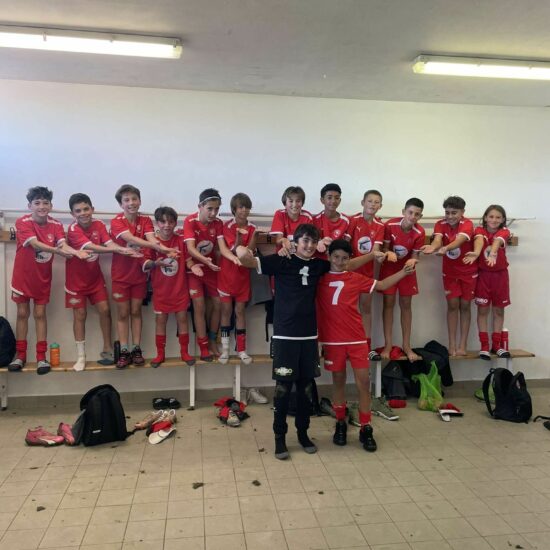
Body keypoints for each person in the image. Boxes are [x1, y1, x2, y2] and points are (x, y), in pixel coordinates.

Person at [237, 223, 376, 460]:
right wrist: (244, 246)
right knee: (283, 390)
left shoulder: (319, 265)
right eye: (305, 241)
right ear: (296, 242)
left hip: (309, 337)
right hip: (285, 336)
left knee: (305, 389)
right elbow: (245, 259)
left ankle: (303, 434)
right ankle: (280, 438)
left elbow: (345, 265)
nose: (309, 246)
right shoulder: (281, 261)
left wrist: (373, 255)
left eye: (313, 241)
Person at [317, 240, 415, 451]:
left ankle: (365, 427)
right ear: (329, 257)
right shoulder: (320, 278)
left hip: (356, 339)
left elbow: (381, 285)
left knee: (363, 382)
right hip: (333, 340)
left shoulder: (355, 278)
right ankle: (340, 422)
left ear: (349, 259)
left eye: (344, 258)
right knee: (338, 382)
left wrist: (404, 273)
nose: (340, 262)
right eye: (336, 257)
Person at [9, 186, 89, 375]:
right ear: (30, 205)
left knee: (40, 314)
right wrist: (58, 251)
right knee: (22, 313)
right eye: (37, 203)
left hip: (42, 279)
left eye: (45, 203)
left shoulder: (56, 224)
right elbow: (35, 243)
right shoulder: (23, 222)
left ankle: (41, 357)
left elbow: (63, 244)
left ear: (51, 205)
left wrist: (76, 252)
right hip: (22, 277)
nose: (41, 206)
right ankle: (20, 356)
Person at [66, 193, 142, 371]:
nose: (83, 213)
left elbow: (108, 243)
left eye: (86, 209)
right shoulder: (73, 229)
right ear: (72, 214)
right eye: (78, 211)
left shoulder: (99, 224)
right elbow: (91, 247)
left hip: (95, 279)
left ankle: (107, 349)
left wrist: (121, 249)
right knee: (80, 315)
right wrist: (120, 251)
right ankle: (81, 356)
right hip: (75, 282)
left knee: (106, 310)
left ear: (92, 209)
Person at [110, 184, 178, 369]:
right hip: (120, 276)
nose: (131, 203)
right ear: (121, 204)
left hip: (139, 275)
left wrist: (163, 248)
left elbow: (151, 238)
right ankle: (124, 350)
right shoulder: (116, 221)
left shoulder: (146, 220)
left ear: (139, 201)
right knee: (123, 313)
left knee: (136, 311)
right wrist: (158, 247)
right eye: (126, 200)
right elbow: (130, 239)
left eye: (134, 199)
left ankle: (136, 349)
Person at [143, 207, 201, 367]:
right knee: (160, 320)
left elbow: (188, 260)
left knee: (182, 319)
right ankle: (160, 354)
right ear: (157, 223)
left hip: (179, 289)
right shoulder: (152, 243)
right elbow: (145, 263)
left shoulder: (181, 240)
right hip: (161, 291)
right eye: (163, 222)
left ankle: (185, 352)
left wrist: (193, 266)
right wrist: (156, 263)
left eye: (170, 222)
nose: (167, 225)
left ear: (175, 223)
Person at [421, 196, 477, 356]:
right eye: (447, 212)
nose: (450, 216)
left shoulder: (467, 224)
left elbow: (460, 240)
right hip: (450, 273)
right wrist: (433, 247)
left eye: (454, 213)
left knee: (465, 306)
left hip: (468, 273)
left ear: (462, 212)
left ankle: (462, 344)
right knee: (452, 305)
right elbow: (437, 240)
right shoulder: (440, 224)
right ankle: (452, 344)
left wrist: (445, 248)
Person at [380, 197, 425, 362]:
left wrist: (413, 261)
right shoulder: (390, 225)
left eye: (417, 214)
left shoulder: (420, 232)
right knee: (388, 303)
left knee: (406, 305)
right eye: (410, 212)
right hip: (390, 268)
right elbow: (384, 248)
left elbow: (415, 256)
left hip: (407, 270)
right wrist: (388, 252)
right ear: (403, 212)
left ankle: (406, 345)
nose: (413, 217)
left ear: (420, 216)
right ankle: (388, 345)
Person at [464, 205, 511, 359]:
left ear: (503, 219)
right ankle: (484, 346)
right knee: (483, 310)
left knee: (498, 311)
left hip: (500, 276)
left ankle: (496, 346)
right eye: (491, 216)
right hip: (483, 276)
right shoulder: (479, 230)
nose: (494, 220)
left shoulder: (505, 231)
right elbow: (479, 240)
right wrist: (477, 252)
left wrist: (493, 252)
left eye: (498, 217)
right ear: (485, 218)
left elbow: (497, 241)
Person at [183, 188, 224, 361]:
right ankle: (203, 346)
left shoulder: (218, 223)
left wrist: (230, 259)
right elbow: (190, 248)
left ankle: (213, 340)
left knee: (219, 304)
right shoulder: (190, 221)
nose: (213, 213)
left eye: (217, 209)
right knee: (199, 306)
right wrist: (204, 261)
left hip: (211, 269)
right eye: (210, 209)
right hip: (194, 269)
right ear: (200, 206)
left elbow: (220, 249)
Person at [217, 193, 256, 365]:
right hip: (226, 276)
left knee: (240, 311)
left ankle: (241, 350)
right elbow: (234, 249)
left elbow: (250, 252)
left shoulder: (253, 227)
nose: (244, 210)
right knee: (226, 311)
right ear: (234, 209)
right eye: (240, 207)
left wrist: (254, 237)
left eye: (247, 207)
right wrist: (240, 236)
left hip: (243, 278)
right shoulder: (227, 226)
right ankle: (225, 350)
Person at [348, 189, 385, 360]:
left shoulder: (380, 226)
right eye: (370, 201)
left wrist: (381, 256)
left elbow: (376, 250)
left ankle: (366, 346)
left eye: (376, 202)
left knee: (366, 308)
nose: (373, 204)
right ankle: (347, 344)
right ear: (363, 203)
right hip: (349, 272)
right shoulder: (352, 220)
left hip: (367, 274)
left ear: (380, 206)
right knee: (347, 309)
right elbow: (345, 245)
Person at [270, 186, 313, 253]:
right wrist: (283, 240)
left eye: (298, 201)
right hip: (283, 254)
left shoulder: (307, 217)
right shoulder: (279, 214)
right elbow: (278, 240)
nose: (294, 204)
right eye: (291, 201)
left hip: (301, 255)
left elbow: (308, 241)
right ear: (285, 203)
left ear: (302, 203)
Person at [313, 183, 351, 256]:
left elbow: (347, 244)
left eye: (336, 198)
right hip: (319, 259)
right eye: (329, 197)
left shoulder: (346, 221)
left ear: (340, 200)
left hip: (338, 259)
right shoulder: (314, 220)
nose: (333, 201)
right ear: (322, 200)